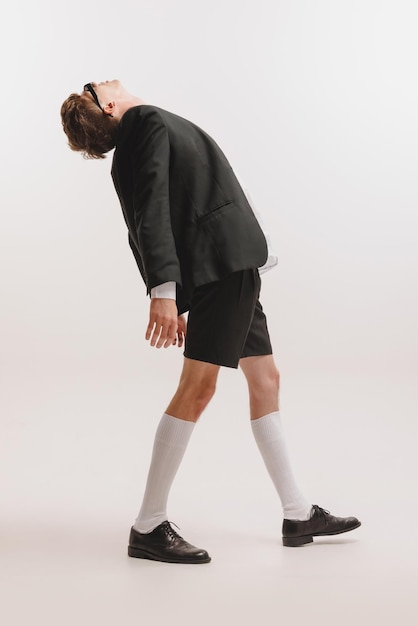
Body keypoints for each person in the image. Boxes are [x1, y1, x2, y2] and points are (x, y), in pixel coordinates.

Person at [60, 80, 361, 563]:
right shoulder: (146, 120)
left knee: (266, 378)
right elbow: (150, 212)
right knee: (197, 389)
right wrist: (163, 293)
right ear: (109, 106)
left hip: (230, 266)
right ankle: (149, 524)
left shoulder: (137, 139)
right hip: (221, 268)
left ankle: (298, 513)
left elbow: (146, 218)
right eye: (97, 86)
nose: (107, 79)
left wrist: (172, 294)